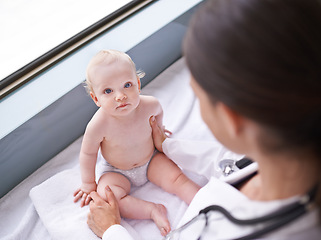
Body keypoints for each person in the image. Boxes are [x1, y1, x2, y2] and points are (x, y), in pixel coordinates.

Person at [86, 0, 321, 239]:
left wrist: (112, 230)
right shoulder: (282, 156)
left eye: (198, 97)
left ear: (232, 118)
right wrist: (167, 145)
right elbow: (228, 162)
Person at [73, 50, 201, 236]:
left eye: (127, 85)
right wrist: (88, 183)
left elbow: (157, 114)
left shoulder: (150, 105)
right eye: (108, 91)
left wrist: (159, 129)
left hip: (150, 159)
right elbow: (88, 153)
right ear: (96, 98)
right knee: (110, 197)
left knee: (177, 179)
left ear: (138, 84)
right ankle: (152, 210)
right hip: (116, 170)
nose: (120, 96)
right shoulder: (98, 125)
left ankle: (204, 201)